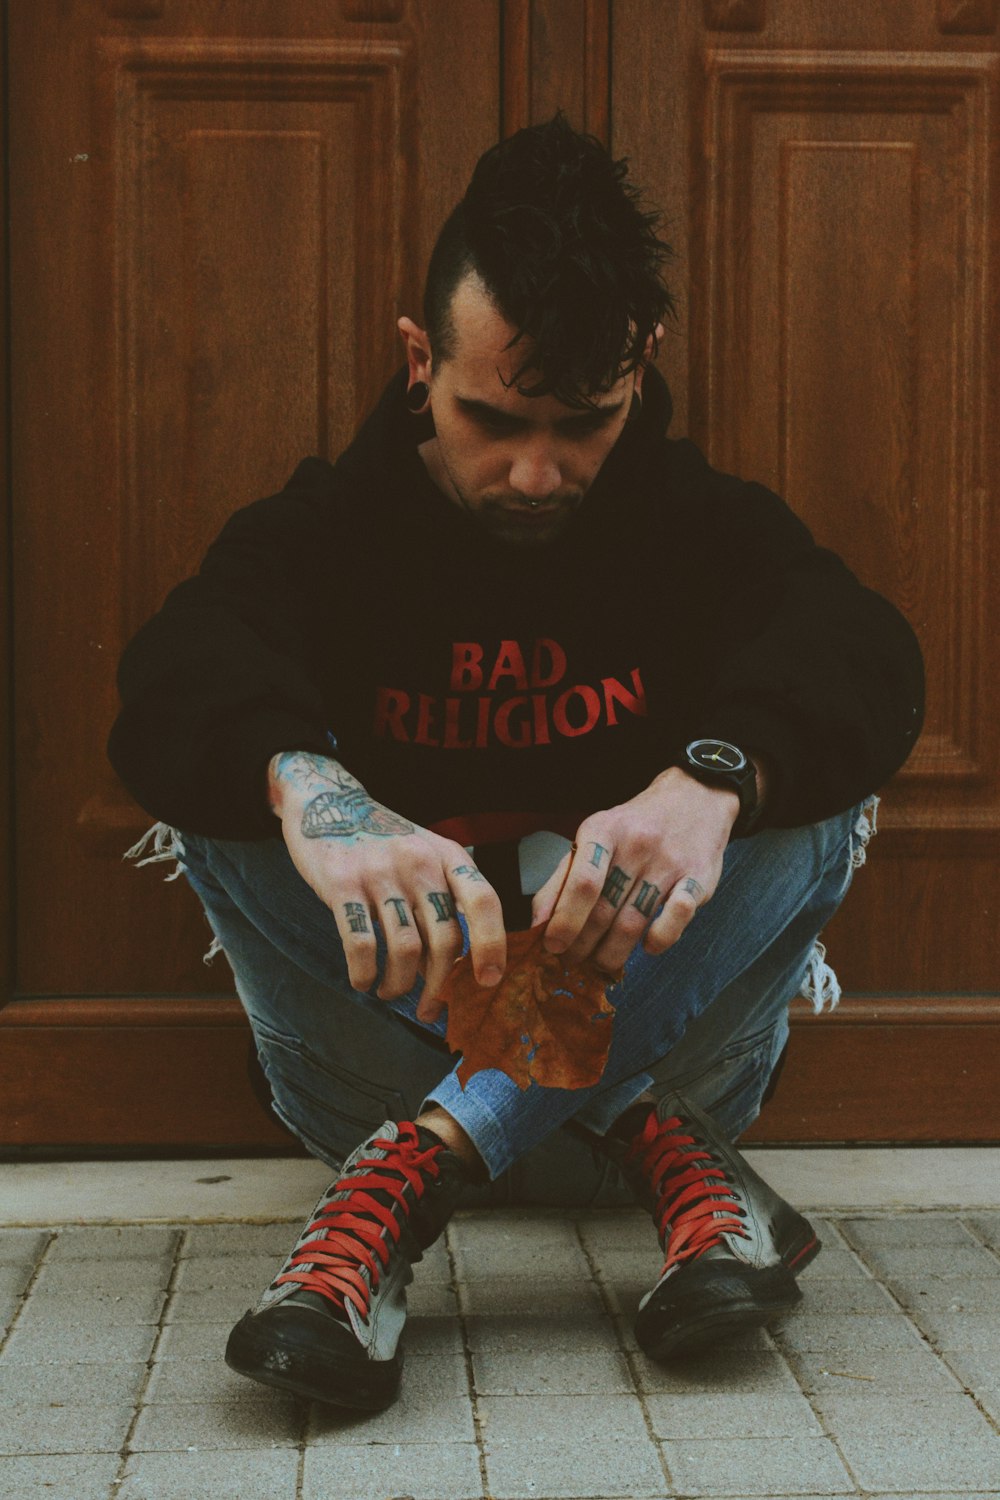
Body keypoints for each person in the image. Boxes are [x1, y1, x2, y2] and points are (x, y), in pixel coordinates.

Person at [109, 114, 924, 1414]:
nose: (537, 472)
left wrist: (711, 778)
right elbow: (174, 671)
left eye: (586, 424)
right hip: (382, 1067)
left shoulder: (695, 528)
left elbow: (862, 653)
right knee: (234, 783)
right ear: (419, 358)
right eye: (492, 418)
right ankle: (638, 1136)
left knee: (802, 788)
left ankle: (413, 1180)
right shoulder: (336, 529)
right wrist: (314, 792)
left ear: (642, 368)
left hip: (561, 1089)